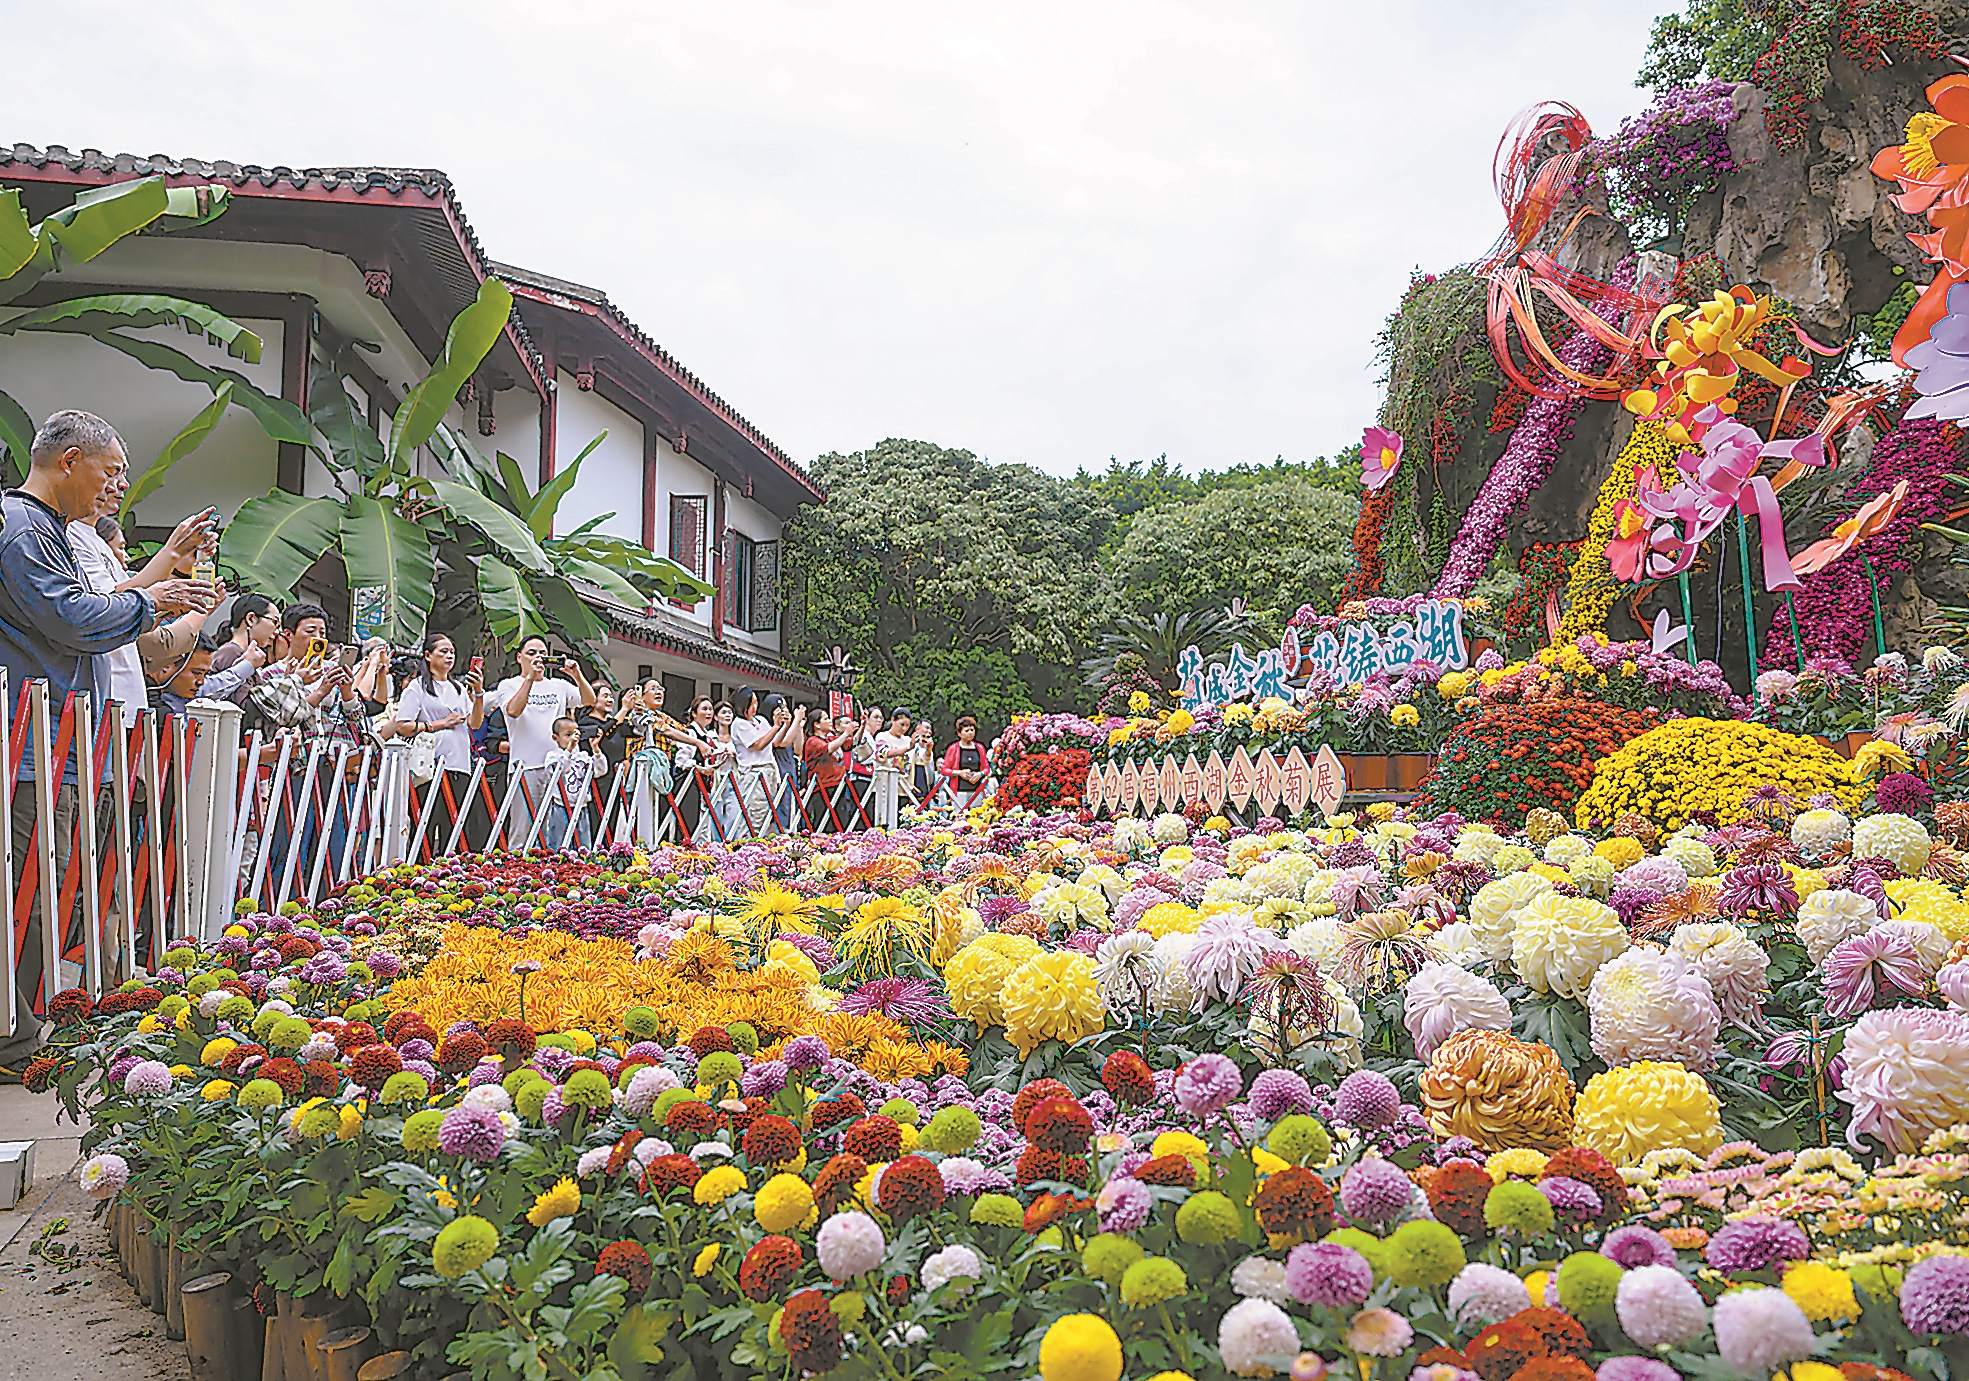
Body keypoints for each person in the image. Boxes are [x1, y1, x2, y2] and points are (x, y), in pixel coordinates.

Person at [0, 411, 217, 1077]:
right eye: (109, 470)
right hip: (30, 743)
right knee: (26, 892)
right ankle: (14, 1035)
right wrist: (159, 599)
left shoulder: (52, 532)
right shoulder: (23, 530)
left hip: (60, 740)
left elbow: (90, 608)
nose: (113, 485)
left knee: (45, 888)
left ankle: (21, 1027)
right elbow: (72, 619)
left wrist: (156, 585)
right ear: (69, 461)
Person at [392, 631, 488, 851]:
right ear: (428, 655)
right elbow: (403, 725)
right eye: (443, 651)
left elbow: (474, 723)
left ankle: (447, 875)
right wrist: (441, 723)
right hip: (430, 766)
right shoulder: (418, 687)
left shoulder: (458, 689)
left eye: (452, 652)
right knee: (425, 824)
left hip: (459, 763)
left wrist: (479, 693)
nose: (449, 657)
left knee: (454, 826)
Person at [540, 714, 606, 849]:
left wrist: (596, 749)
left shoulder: (583, 755)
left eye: (575, 734)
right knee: (558, 844)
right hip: (560, 807)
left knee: (583, 846)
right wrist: (569, 750)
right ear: (555, 737)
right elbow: (561, 770)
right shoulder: (553, 756)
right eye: (567, 735)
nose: (572, 739)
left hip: (582, 807)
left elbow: (601, 770)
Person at [802, 711, 857, 831]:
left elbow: (853, 742)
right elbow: (828, 749)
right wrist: (846, 733)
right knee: (825, 824)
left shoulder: (831, 738)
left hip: (839, 785)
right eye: (826, 718)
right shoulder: (812, 741)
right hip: (824, 787)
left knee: (842, 823)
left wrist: (862, 726)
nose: (829, 721)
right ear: (816, 724)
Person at [148, 632, 218, 718]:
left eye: (206, 674)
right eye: (197, 673)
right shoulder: (151, 709)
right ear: (166, 665)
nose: (201, 682)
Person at [942, 716, 990, 801]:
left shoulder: (980, 748)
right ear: (959, 733)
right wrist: (959, 773)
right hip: (959, 792)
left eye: (972, 730)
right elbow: (944, 770)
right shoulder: (953, 748)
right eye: (967, 730)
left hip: (977, 791)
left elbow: (987, 769)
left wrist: (980, 774)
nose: (970, 733)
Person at [910, 719, 935, 801]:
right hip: (914, 787)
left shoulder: (928, 749)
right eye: (927, 728)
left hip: (927, 788)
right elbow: (922, 757)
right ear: (917, 729)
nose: (929, 731)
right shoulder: (910, 745)